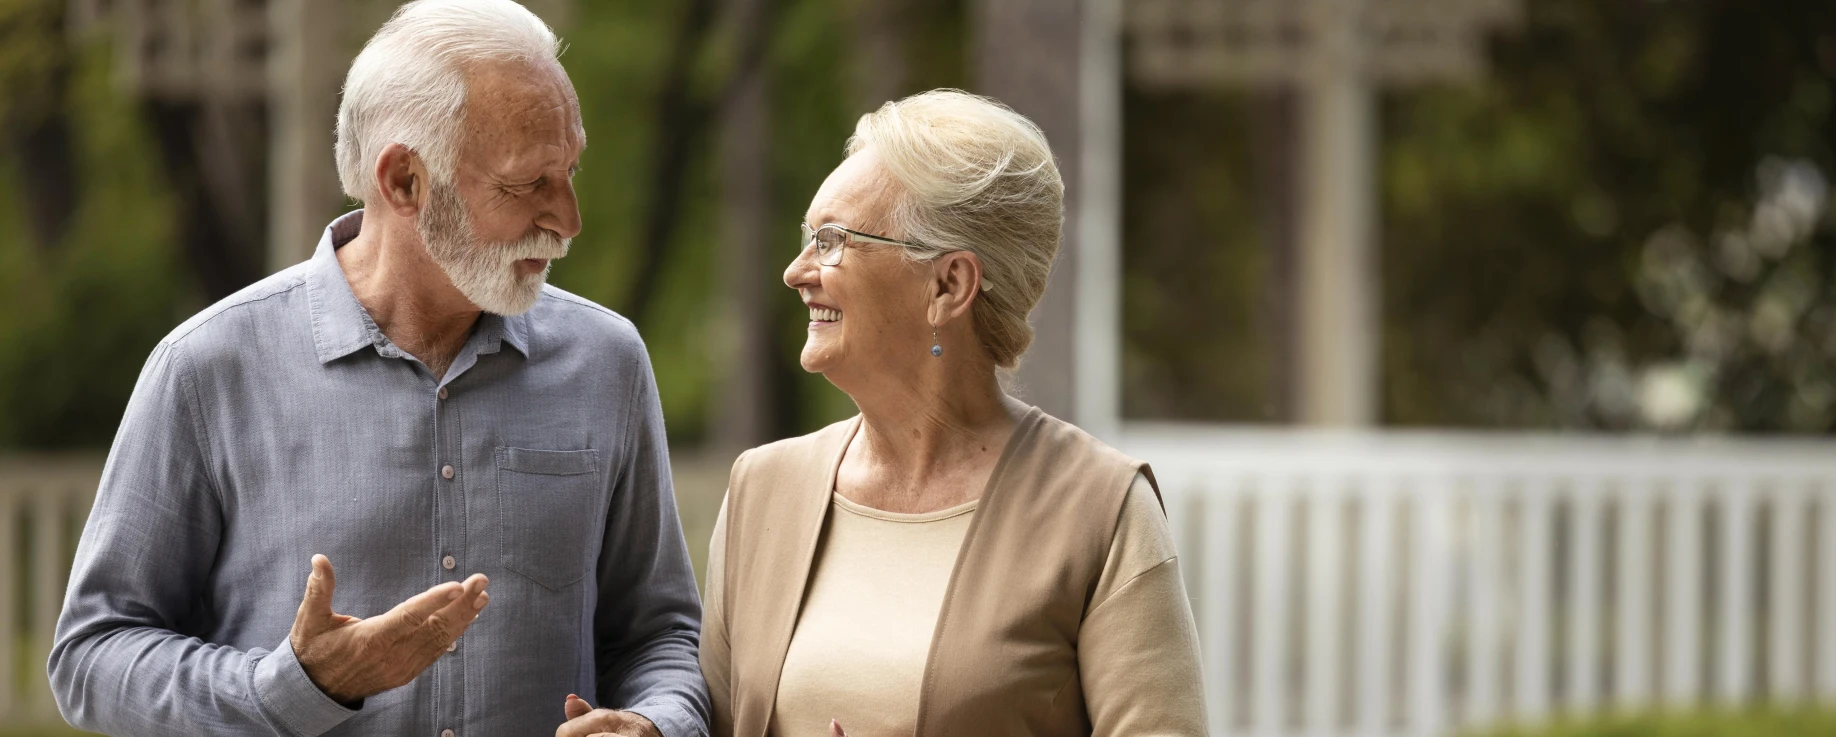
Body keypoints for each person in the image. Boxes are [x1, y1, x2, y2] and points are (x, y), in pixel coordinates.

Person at [47, 2, 707, 736]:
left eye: (570, 170)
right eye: (529, 184)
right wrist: (294, 686)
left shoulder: (605, 362)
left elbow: (661, 635)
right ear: (403, 183)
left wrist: (655, 724)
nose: (568, 218)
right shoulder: (208, 368)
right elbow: (91, 657)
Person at [697, 89, 1209, 737]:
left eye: (831, 240)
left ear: (949, 285)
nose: (797, 270)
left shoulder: (1100, 511)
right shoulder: (762, 490)